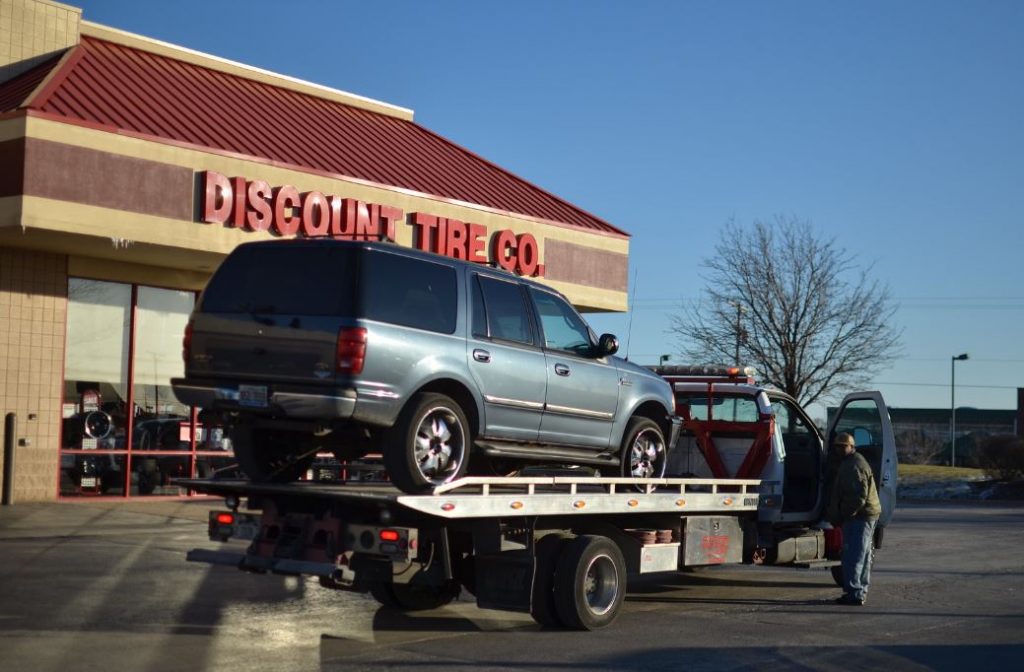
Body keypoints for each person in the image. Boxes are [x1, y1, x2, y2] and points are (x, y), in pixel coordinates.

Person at [826, 431, 881, 606]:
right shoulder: (853, 462)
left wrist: (843, 515)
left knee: (853, 556)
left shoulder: (853, 466)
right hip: (866, 515)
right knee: (862, 555)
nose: (839, 450)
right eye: (837, 447)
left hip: (859, 517)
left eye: (843, 447)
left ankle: (854, 593)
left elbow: (858, 497)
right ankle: (859, 591)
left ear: (852, 447)